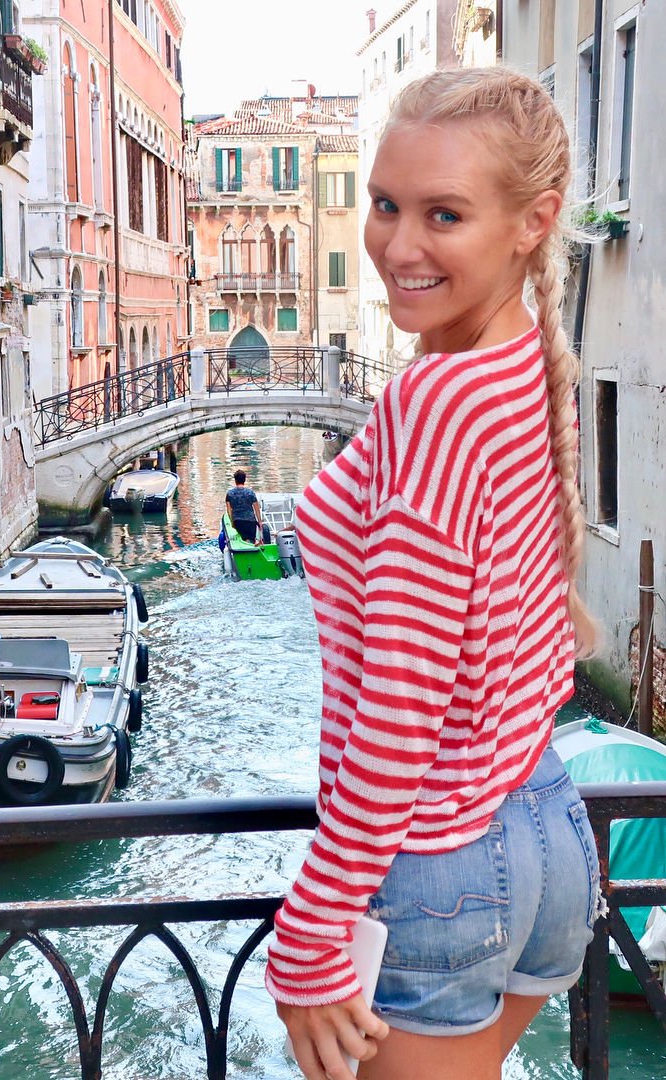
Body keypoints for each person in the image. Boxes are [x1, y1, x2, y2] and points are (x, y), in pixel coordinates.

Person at [268, 68, 603, 1080]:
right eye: (385, 205)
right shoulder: (524, 366)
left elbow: (402, 706)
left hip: (444, 864)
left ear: (533, 222)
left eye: (443, 215)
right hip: (544, 817)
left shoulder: (439, 405)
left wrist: (310, 929)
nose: (398, 245)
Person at [225, 469, 264, 544]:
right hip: (250, 521)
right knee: (250, 540)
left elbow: (229, 511)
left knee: (242, 540)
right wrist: (260, 522)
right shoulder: (250, 493)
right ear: (244, 480)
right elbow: (257, 509)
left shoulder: (229, 494)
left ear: (235, 480)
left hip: (237, 521)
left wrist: (232, 522)